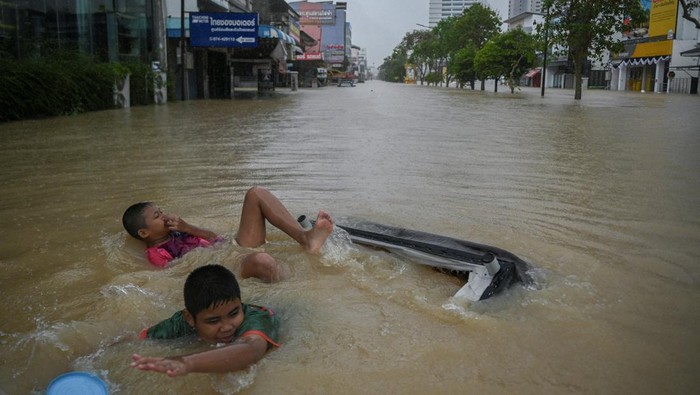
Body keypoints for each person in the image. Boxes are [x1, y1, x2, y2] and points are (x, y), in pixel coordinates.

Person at [122, 186, 334, 282]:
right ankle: (306, 283)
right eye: (158, 216)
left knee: (256, 194)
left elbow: (215, 239)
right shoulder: (156, 253)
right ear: (144, 232)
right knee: (263, 261)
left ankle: (305, 238)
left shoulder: (178, 231)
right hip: (226, 268)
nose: (165, 216)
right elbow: (175, 276)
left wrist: (188, 227)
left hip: (231, 249)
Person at [132, 264, 279, 376]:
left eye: (234, 313)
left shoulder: (255, 318)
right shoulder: (181, 323)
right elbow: (136, 339)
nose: (227, 327)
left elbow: (252, 349)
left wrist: (187, 362)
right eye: (214, 321)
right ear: (190, 318)